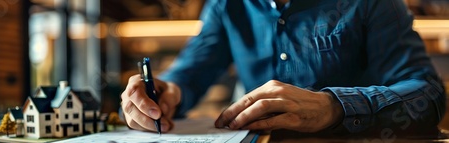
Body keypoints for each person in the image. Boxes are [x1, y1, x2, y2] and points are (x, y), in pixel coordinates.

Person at [120, 0, 446, 136]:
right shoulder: (227, 5)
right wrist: (166, 92)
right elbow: (190, 72)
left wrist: (333, 106)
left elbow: (428, 94)